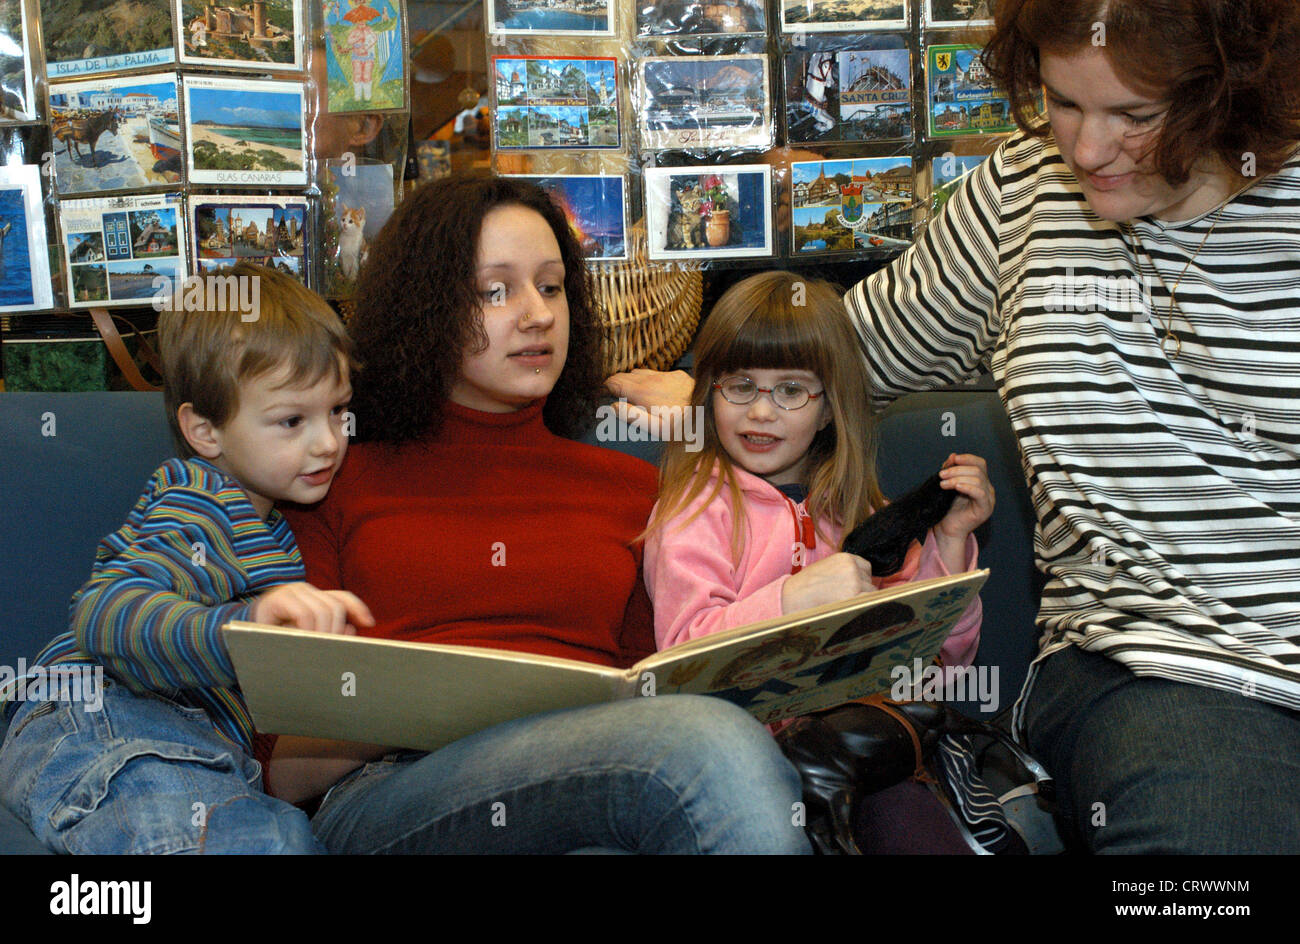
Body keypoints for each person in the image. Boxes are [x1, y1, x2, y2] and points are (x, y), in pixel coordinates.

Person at [611, 0, 1300, 853]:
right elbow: (847, 352)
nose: (1085, 149)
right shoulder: (1025, 192)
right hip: (1162, 663)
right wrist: (700, 384)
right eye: (1062, 101)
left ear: (1231, 98)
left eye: (1135, 116)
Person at [277, 175, 809, 854]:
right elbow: (284, 771)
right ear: (427, 307)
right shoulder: (335, 475)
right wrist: (453, 700)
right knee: (705, 743)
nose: (537, 315)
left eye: (552, 286)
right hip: (396, 796)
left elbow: (653, 688)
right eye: (495, 291)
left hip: (607, 782)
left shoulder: (631, 485)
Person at [0, 264, 370, 853]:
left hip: (199, 753)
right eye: (292, 421)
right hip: (105, 716)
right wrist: (246, 631)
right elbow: (104, 614)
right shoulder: (202, 500)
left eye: (337, 411)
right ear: (205, 431)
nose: (327, 441)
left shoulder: (275, 524)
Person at [644, 271, 987, 666]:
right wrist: (791, 600)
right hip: (737, 726)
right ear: (711, 395)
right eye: (741, 386)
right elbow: (683, 659)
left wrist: (948, 540)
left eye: (791, 390)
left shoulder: (862, 511)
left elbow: (936, 661)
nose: (759, 412)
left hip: (860, 721)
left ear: (828, 409)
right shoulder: (696, 510)